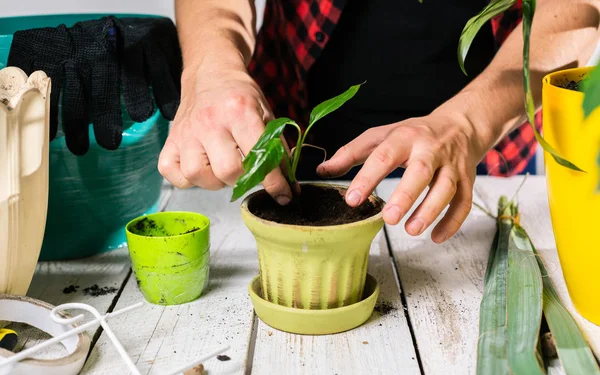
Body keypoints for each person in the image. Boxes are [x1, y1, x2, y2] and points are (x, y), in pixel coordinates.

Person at [159, 0, 600, 243]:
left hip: (486, 149)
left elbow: (578, 7)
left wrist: (469, 124)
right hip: (293, 122)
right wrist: (212, 69)